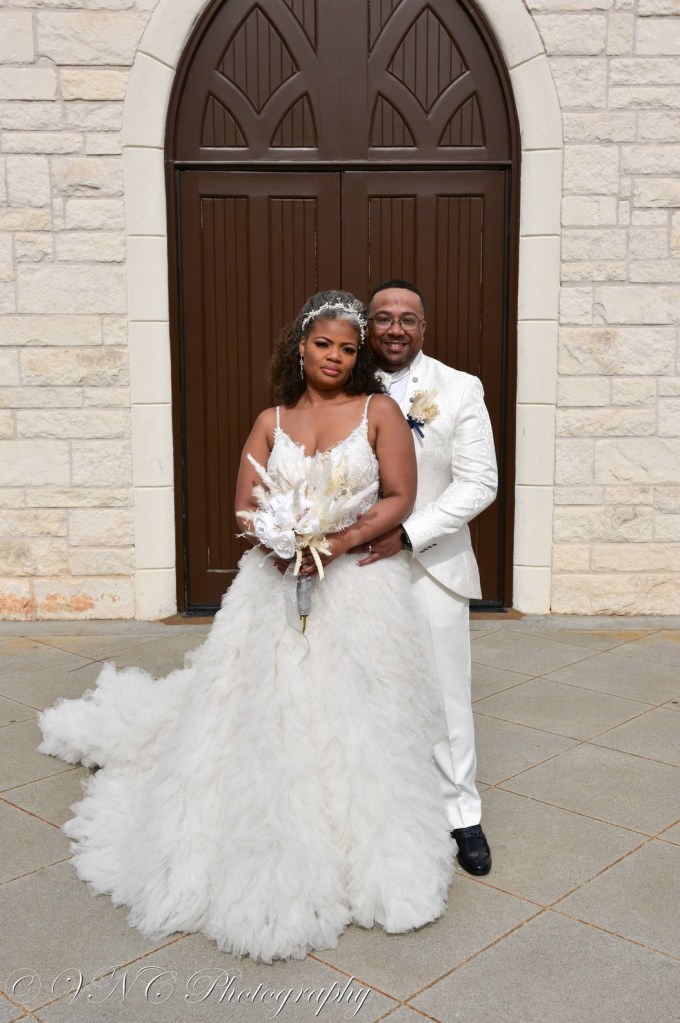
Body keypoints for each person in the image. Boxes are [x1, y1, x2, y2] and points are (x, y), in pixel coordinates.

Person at [37, 290, 453, 964]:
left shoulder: (379, 413)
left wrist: (336, 541)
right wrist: (278, 541)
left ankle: (374, 861)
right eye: (324, 344)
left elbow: (400, 497)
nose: (335, 357)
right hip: (271, 585)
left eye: (348, 348)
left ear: (359, 357)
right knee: (263, 711)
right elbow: (245, 507)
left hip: (357, 585)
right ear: (301, 345)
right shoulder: (271, 420)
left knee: (359, 717)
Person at [358, 279, 498, 876]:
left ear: (423, 328)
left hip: (431, 566)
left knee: (444, 698)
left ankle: (461, 815)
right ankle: (371, 808)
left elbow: (479, 483)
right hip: (354, 567)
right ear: (367, 326)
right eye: (383, 317)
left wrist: (410, 535)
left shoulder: (459, 387)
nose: (395, 328)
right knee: (358, 691)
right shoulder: (340, 383)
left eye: (407, 319)